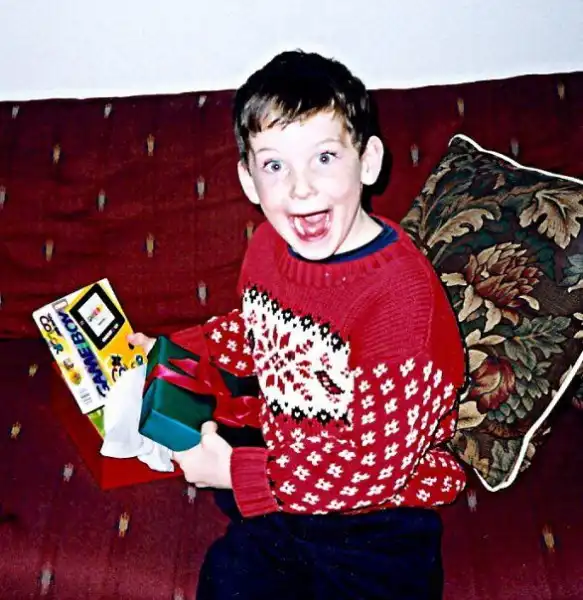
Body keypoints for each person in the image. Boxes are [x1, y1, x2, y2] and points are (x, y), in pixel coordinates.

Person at [129, 50, 467, 600]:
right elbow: (258, 330)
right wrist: (175, 349)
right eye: (275, 166)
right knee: (227, 580)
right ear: (248, 180)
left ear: (369, 161)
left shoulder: (402, 297)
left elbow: (371, 470)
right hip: (286, 470)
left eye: (325, 157)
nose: (301, 188)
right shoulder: (267, 246)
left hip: (376, 519)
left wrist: (236, 473)